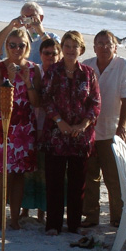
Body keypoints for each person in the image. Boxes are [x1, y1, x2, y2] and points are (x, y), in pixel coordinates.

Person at [33, 29, 101, 236]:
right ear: (62, 48)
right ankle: (53, 224)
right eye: (67, 46)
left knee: (77, 182)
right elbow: (46, 99)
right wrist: (60, 122)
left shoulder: (88, 73)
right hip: (56, 134)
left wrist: (83, 125)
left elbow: (95, 103)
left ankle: (74, 224)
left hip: (81, 136)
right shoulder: (53, 71)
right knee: (54, 181)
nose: (71, 50)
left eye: (75, 47)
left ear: (81, 49)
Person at [78, 29, 126, 239]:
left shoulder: (123, 66)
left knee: (113, 177)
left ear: (115, 46)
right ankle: (91, 215)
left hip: (111, 129)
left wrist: (122, 126)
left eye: (107, 43)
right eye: (99, 43)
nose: (103, 47)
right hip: (90, 130)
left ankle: (118, 216)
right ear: (94, 47)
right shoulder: (87, 65)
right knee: (90, 175)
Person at [0, 28, 40, 232]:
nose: (17, 49)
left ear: (27, 47)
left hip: (25, 126)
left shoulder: (34, 69)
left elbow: (37, 102)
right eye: (13, 45)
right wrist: (8, 78)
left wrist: (27, 82)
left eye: (22, 45)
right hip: (5, 124)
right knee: (4, 173)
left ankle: (15, 218)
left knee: (20, 174)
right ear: (6, 46)